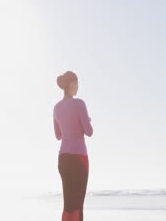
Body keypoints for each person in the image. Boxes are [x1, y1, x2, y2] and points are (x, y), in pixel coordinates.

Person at [53, 71, 93, 221]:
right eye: (77, 83)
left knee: (68, 205)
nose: (78, 87)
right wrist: (86, 121)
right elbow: (89, 132)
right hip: (79, 158)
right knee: (78, 205)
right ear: (71, 84)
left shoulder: (56, 108)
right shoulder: (79, 103)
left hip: (63, 159)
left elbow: (58, 135)